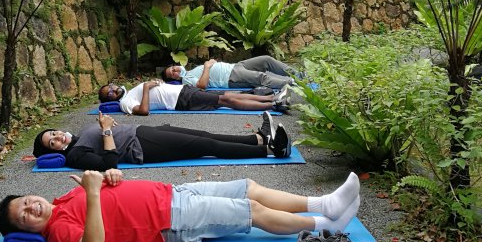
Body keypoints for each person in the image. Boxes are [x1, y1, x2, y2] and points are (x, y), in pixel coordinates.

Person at [0, 168, 370, 242]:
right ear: (26, 229)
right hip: (171, 221)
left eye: (27, 200)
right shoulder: (58, 230)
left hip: (173, 194)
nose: (32, 207)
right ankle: (326, 224)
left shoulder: (60, 201)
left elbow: (111, 194)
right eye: (25, 215)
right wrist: (94, 192)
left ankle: (322, 203)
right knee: (250, 212)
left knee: (249, 187)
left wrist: (111, 177)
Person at [32, 110, 292, 168]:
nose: (56, 137)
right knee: (206, 147)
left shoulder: (76, 139)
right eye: (51, 142)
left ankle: (257, 138)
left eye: (52, 133)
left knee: (204, 135)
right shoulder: (76, 155)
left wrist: (108, 126)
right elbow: (108, 163)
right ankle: (271, 151)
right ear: (53, 152)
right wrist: (108, 130)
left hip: (142, 132)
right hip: (142, 147)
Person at [97, 79, 283, 116]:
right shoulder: (125, 103)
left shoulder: (129, 92)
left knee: (226, 95)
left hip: (182, 92)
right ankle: (273, 105)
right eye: (109, 93)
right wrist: (146, 87)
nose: (113, 90)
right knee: (226, 101)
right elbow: (143, 111)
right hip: (181, 100)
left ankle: (272, 99)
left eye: (111, 86)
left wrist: (155, 83)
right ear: (109, 99)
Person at [162, 56, 295, 93]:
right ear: (174, 79)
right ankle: (290, 84)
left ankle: (298, 75)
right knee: (261, 77)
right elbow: (202, 85)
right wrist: (207, 66)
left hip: (235, 66)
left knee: (266, 60)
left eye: (173, 68)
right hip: (231, 77)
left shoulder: (190, 71)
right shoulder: (186, 79)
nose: (175, 71)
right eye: (172, 74)